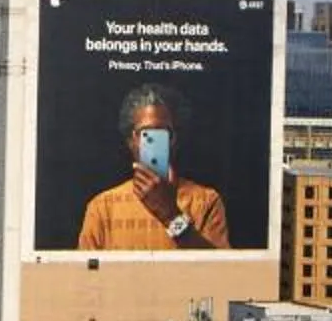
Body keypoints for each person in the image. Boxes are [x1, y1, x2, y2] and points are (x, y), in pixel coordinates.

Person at [76, 84, 231, 251]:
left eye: (163, 133)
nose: (154, 142)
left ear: (175, 140)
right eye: (146, 134)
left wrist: (171, 215)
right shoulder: (102, 208)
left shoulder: (206, 201)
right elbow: (84, 275)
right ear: (131, 141)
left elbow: (219, 273)